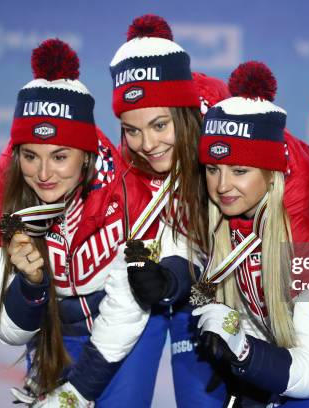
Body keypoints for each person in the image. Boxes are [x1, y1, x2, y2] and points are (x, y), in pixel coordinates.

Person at [0, 39, 149, 407]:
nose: (44, 173)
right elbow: (4, 329)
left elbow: (128, 306)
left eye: (60, 156)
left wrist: (77, 393)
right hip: (51, 330)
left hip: (124, 324)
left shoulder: (126, 190)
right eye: (30, 156)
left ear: (85, 155)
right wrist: (33, 285)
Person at [192, 60, 309, 406]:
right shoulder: (229, 210)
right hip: (301, 342)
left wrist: (244, 351)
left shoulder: (305, 231)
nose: (222, 185)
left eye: (239, 170)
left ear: (271, 174)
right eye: (212, 169)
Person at [107, 14, 231, 407]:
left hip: (221, 287)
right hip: (166, 278)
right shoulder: (134, 147)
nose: (147, 143)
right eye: (132, 129)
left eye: (160, 125)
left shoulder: (228, 130)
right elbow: (153, 222)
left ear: (183, 114)